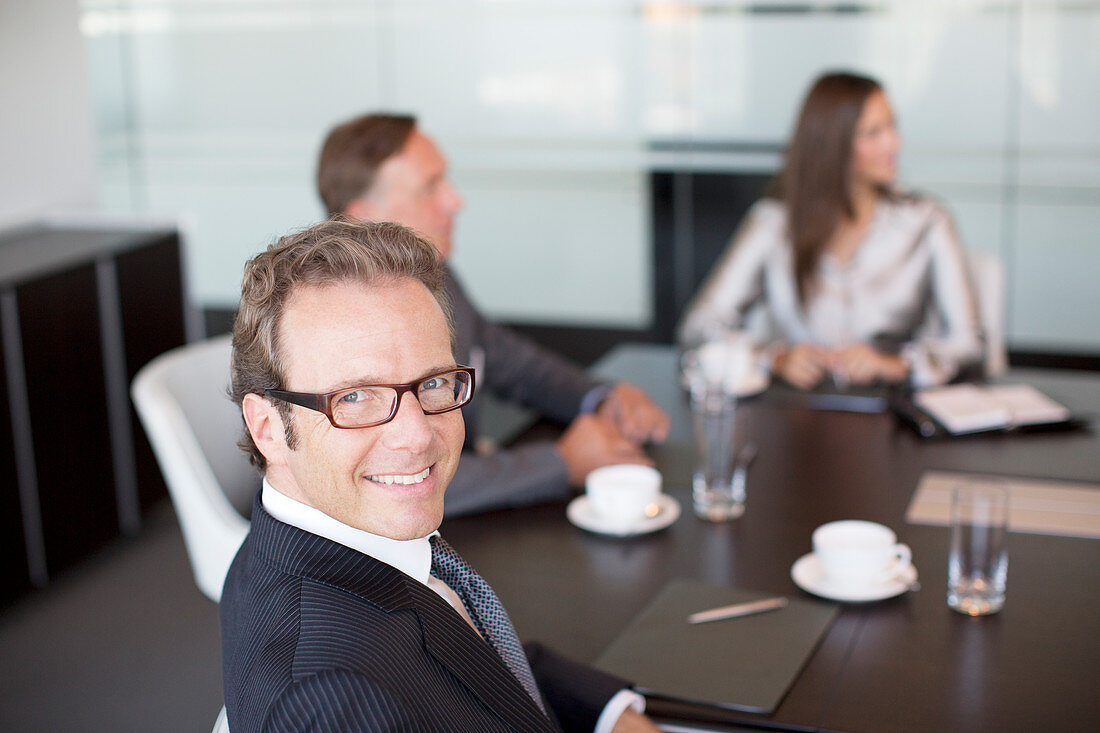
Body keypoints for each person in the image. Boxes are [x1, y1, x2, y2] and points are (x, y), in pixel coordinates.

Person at [222, 219, 659, 732]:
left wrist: (613, 716)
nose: (417, 435)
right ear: (268, 427)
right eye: (355, 397)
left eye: (433, 382)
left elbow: (477, 660)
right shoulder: (332, 700)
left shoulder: (338, 536)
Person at [316, 114, 669, 516]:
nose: (455, 200)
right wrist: (560, 463)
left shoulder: (431, 280)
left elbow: (512, 363)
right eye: (430, 187)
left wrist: (601, 398)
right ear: (363, 217)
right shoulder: (339, 336)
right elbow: (397, 477)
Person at [678, 71, 984, 389]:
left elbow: (970, 344)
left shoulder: (928, 221)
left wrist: (899, 365)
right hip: (799, 412)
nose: (894, 142)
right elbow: (698, 328)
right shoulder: (773, 224)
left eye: (892, 125)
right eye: (873, 132)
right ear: (832, 144)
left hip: (892, 411)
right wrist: (774, 357)